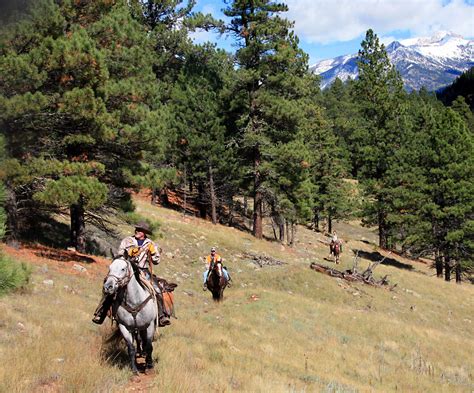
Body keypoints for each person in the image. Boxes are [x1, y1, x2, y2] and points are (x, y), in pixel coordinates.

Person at [92, 221, 170, 326]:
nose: (137, 231)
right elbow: (119, 255)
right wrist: (129, 253)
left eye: (140, 230)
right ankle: (101, 312)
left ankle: (162, 316)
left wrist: (153, 253)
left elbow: (156, 261)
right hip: (126, 269)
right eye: (137, 229)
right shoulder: (127, 241)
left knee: (157, 289)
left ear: (144, 233)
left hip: (142, 270)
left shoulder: (150, 244)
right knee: (111, 287)